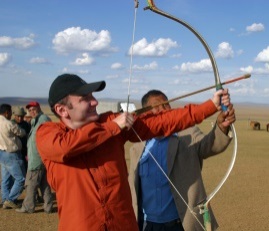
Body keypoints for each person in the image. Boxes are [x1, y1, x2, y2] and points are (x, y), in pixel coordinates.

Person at [35, 73, 230, 231]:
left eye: (93, 96)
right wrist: (112, 127)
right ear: (62, 110)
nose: (94, 102)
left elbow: (161, 121)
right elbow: (65, 146)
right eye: (85, 98)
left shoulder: (111, 122)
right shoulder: (48, 134)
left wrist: (210, 106)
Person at [128, 90, 236, 231]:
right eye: (156, 106)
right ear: (144, 113)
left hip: (182, 224)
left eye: (166, 104)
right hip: (147, 225)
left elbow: (208, 146)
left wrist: (222, 126)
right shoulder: (137, 145)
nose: (163, 109)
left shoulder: (187, 132)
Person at [15, 101, 53, 214]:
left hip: (37, 159)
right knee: (44, 184)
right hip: (37, 157)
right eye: (30, 110)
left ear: (39, 108)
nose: (31, 111)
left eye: (33, 109)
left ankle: (28, 207)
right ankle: (48, 206)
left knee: (30, 183)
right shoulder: (36, 121)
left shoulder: (43, 120)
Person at [0, 104, 26, 209]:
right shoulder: (9, 124)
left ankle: (5, 199)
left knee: (6, 178)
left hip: (1, 153)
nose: (11, 114)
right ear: (7, 112)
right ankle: (10, 200)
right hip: (12, 154)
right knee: (21, 179)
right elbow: (22, 133)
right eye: (11, 112)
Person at [12, 107, 31, 171]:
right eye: (18, 116)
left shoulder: (26, 124)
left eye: (22, 116)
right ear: (14, 116)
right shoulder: (11, 124)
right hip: (14, 150)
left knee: (25, 167)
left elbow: (29, 135)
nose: (20, 118)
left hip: (24, 150)